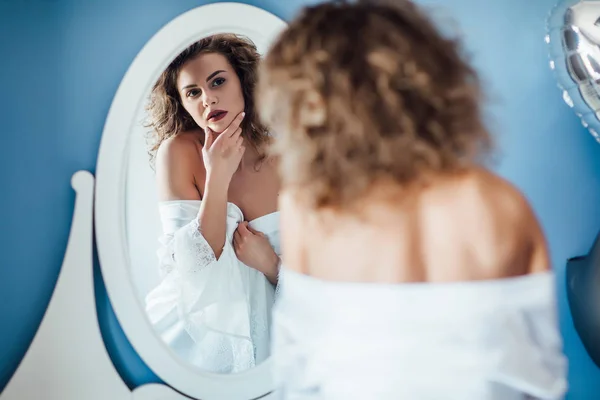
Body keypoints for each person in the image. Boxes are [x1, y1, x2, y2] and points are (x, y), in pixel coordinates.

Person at [257, 0, 568, 398]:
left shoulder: (309, 209)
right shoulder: (500, 203)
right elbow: (542, 375)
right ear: (428, 84)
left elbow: (298, 373)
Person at [143, 33, 281, 373]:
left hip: (277, 346)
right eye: (193, 92)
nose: (208, 98)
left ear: (243, 82)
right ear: (183, 103)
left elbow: (323, 273)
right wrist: (217, 175)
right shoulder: (178, 152)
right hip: (194, 340)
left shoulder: (288, 154)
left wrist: (272, 266)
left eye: (217, 81)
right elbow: (194, 266)